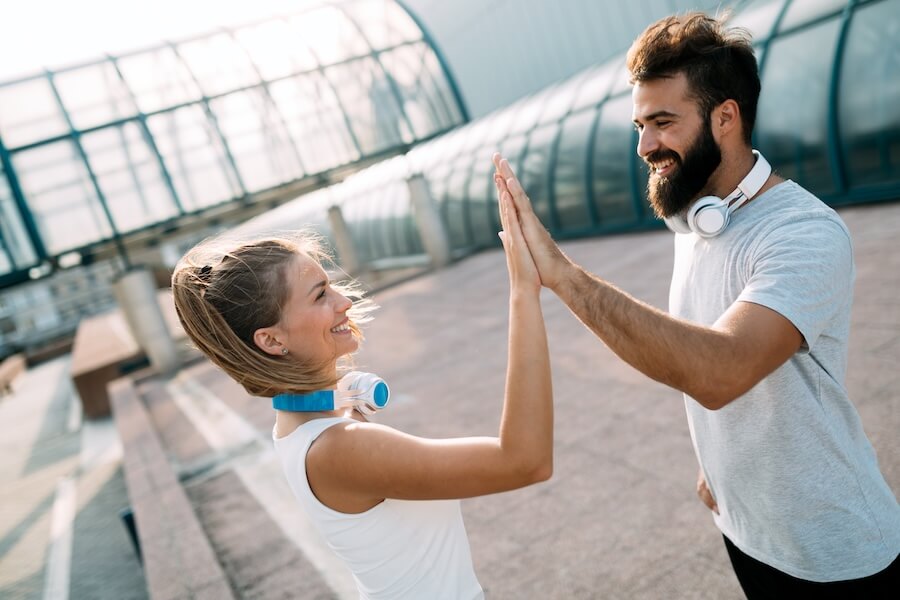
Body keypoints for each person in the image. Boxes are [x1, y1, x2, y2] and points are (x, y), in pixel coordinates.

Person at [492, 11, 899, 597]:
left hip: (832, 550)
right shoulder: (698, 218)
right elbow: (697, 357)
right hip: (745, 528)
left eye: (662, 122)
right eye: (638, 125)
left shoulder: (803, 233)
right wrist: (720, 468)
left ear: (725, 117)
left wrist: (562, 277)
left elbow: (719, 370)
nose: (645, 145)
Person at [170, 186, 551, 600]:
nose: (344, 302)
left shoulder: (307, 425)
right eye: (320, 296)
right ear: (272, 341)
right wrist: (523, 290)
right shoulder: (339, 448)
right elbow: (524, 461)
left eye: (330, 285)